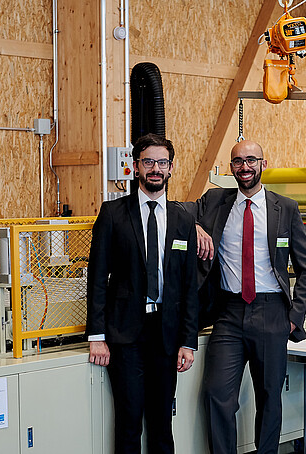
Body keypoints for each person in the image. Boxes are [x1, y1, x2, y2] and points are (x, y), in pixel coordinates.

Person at [182, 139, 306, 454]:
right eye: (238, 161)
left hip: (272, 313)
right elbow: (175, 210)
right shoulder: (215, 201)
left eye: (251, 160)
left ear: (263, 164)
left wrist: (294, 318)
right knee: (216, 394)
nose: (245, 167)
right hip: (228, 314)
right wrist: (195, 226)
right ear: (231, 167)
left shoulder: (286, 208)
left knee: (269, 397)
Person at [86, 133, 199, 454]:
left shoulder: (183, 219)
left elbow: (189, 285)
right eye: (148, 162)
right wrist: (97, 335)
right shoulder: (113, 213)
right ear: (136, 166)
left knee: (162, 424)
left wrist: (188, 341)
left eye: (162, 162)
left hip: (167, 335)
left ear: (171, 168)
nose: (155, 169)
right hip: (125, 335)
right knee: (129, 421)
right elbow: (97, 277)